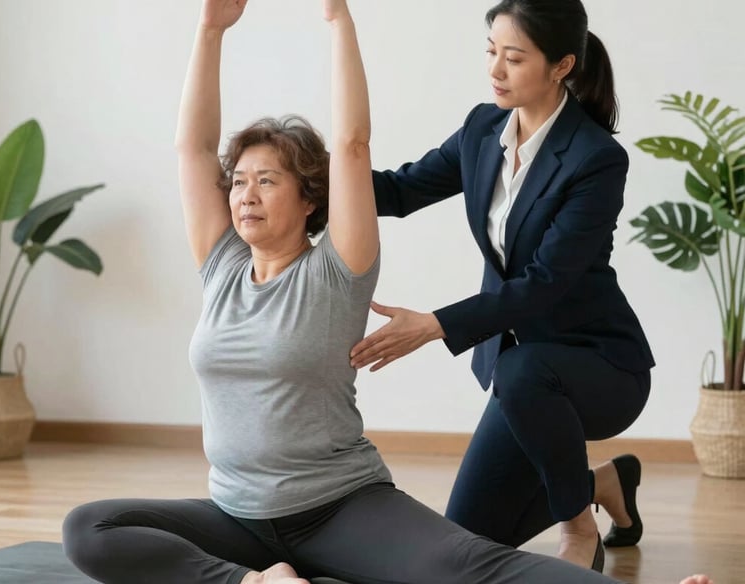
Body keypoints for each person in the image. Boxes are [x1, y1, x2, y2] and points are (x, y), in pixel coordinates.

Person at [60, 1, 713, 583]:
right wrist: (209, 27)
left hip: (562, 370)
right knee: (89, 527)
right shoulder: (222, 265)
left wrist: (338, 17)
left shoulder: (335, 271)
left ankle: (579, 521)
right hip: (241, 516)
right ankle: (259, 583)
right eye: (239, 181)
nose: (245, 193)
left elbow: (353, 148)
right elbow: (196, 149)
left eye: (268, 181)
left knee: (470, 557)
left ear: (561, 64)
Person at [348, 0, 655, 571]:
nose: (495, 69)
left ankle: (577, 526)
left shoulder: (595, 159)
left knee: (521, 370)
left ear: (562, 66)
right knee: (462, 544)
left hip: (599, 368)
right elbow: (399, 191)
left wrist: (435, 324)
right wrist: (306, 180)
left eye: (514, 58)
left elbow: (546, 283)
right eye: (492, 52)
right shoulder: (482, 129)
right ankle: (605, 483)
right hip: (526, 381)